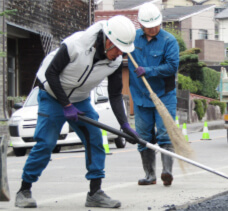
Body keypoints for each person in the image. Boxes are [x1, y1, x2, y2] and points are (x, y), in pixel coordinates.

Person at [15, 15, 140, 209]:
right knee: (46, 143)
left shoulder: (115, 61)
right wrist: (66, 105)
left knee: (95, 139)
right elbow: (51, 73)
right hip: (52, 94)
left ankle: (95, 193)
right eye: (117, 48)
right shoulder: (76, 44)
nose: (119, 54)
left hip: (80, 99)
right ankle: (24, 189)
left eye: (123, 51)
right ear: (107, 39)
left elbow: (115, 95)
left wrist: (125, 125)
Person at [128, 3, 179, 187]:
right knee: (143, 137)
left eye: (156, 25)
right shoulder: (132, 39)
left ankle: (167, 171)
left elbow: (172, 67)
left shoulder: (169, 40)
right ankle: (150, 175)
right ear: (141, 25)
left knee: (165, 135)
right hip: (141, 97)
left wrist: (148, 70)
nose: (153, 29)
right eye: (149, 27)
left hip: (163, 95)